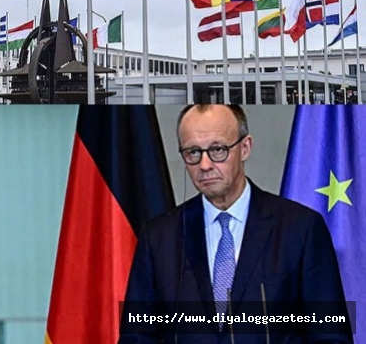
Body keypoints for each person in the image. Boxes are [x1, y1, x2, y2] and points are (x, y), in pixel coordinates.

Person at [118, 104, 352, 344]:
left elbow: (331, 336)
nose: (205, 165)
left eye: (217, 150)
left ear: (245, 148)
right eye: (193, 152)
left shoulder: (300, 228)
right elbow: (136, 337)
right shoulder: (159, 237)